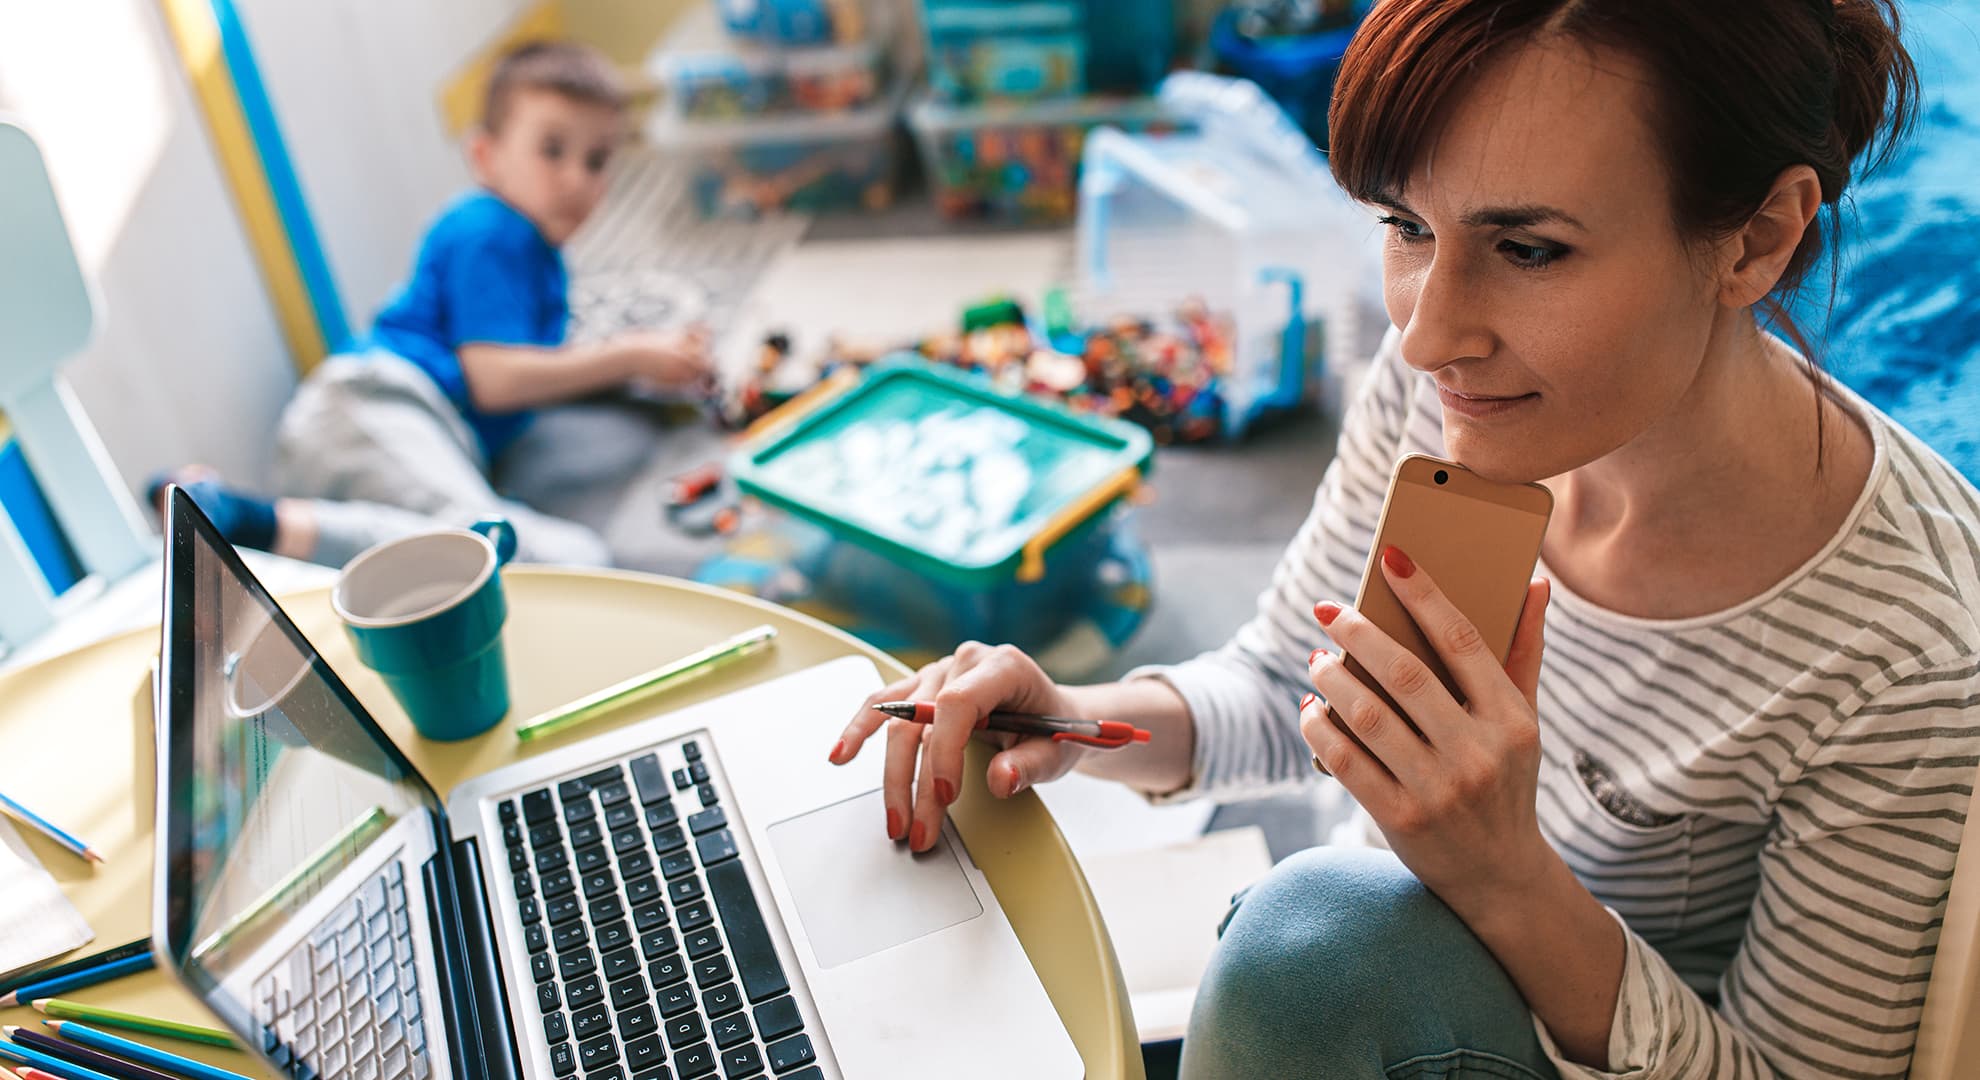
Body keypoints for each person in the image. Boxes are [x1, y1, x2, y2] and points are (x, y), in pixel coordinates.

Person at [829, 0, 1979, 1076]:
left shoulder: (1910, 652)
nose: (1427, 334)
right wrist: (1079, 723)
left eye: (1528, 250)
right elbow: (1290, 681)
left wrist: (1507, 878)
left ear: (1758, 240)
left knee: (1310, 948)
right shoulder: (1463, 396)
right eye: (1405, 225)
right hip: (1371, 930)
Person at [158, 40, 712, 568]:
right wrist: (631, 355)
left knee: (436, 562)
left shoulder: (535, 253)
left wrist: (638, 373)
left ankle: (253, 523)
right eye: (552, 150)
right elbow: (494, 379)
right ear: (484, 156)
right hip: (373, 408)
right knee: (538, 557)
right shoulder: (491, 228)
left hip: (389, 435)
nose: (575, 178)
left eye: (596, 161)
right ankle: (235, 519)